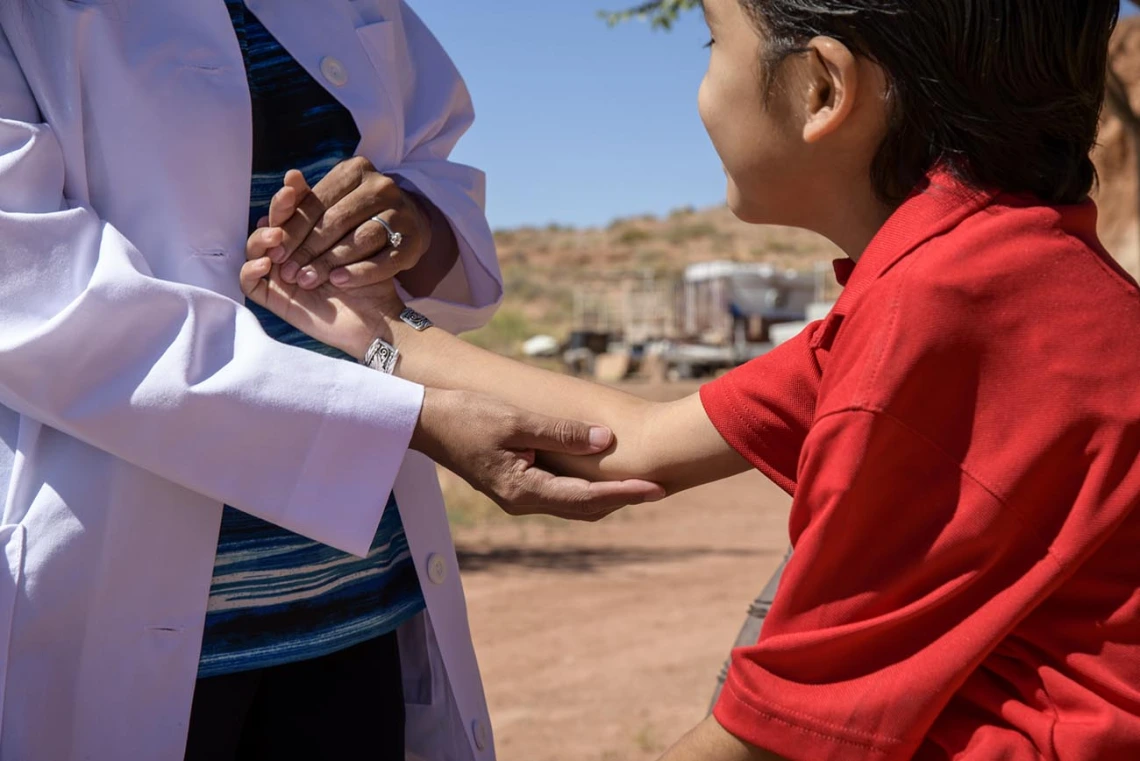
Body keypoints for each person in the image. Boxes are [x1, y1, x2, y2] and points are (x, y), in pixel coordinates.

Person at [243, 0, 1140, 759]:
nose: (703, 89)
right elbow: (635, 438)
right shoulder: (982, 270)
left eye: (712, 44)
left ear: (823, 90)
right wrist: (369, 329)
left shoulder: (947, 314)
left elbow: (778, 737)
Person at [0, 2, 663, 759]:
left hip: (355, 605)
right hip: (112, 620)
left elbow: (432, 159)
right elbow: (35, 300)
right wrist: (404, 422)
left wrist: (411, 221)